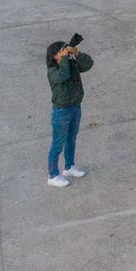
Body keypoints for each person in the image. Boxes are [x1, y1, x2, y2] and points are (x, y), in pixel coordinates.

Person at [44, 33, 93, 188]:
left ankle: (69, 167)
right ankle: (53, 175)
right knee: (58, 143)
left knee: (71, 139)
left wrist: (76, 53)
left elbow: (88, 64)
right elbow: (64, 75)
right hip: (61, 111)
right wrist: (66, 58)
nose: (65, 52)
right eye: (62, 50)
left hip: (75, 106)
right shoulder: (52, 71)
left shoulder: (70, 63)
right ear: (55, 55)